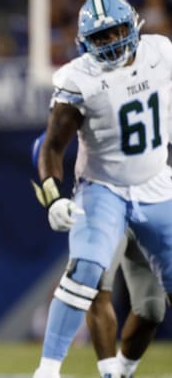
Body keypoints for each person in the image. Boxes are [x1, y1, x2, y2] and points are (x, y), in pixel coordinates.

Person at [32, 0, 172, 378]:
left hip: (158, 184)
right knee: (86, 269)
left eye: (116, 32)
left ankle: (120, 371)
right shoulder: (79, 78)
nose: (110, 42)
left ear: (134, 26)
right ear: (84, 43)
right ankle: (47, 370)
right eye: (100, 37)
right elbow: (52, 146)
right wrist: (52, 197)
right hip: (103, 188)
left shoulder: (162, 53)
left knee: (154, 305)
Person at [32, 132, 166, 377]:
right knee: (94, 285)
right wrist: (52, 195)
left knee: (151, 310)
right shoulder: (98, 95)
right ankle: (106, 371)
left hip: (153, 203)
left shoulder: (161, 97)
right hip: (107, 201)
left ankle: (123, 370)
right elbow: (47, 142)